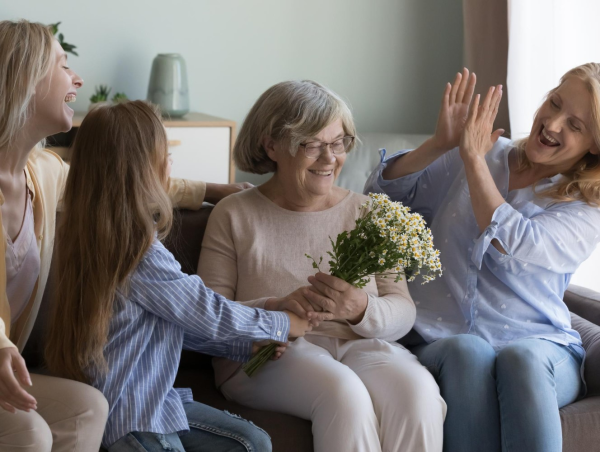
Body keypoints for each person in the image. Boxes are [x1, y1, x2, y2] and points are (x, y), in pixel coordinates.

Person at [0, 19, 249, 451]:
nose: (77, 78)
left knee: (88, 406)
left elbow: (120, 181)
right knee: (31, 431)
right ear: (25, 78)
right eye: (63, 65)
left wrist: (216, 190)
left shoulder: (43, 173)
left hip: (11, 369)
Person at [44, 100, 313, 451]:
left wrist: (244, 344)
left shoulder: (94, 234)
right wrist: (282, 323)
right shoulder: (136, 250)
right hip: (135, 417)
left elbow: (172, 323)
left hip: (156, 400)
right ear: (142, 168)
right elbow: (206, 311)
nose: (171, 162)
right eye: (165, 153)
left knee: (251, 442)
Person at [198, 80, 446, 452]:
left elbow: (402, 310)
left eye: (338, 142)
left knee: (418, 391)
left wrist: (362, 309)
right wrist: (274, 312)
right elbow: (206, 314)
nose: (330, 158)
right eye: (312, 144)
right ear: (272, 146)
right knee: (343, 393)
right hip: (269, 355)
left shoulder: (371, 212)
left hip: (360, 345)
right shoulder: (234, 214)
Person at [365, 66, 600, 452]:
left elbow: (516, 241)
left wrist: (473, 159)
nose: (553, 124)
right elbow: (381, 199)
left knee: (521, 359)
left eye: (574, 124)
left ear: (594, 143)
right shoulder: (483, 151)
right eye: (554, 103)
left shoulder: (585, 208)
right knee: (466, 349)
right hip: (438, 336)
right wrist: (441, 144)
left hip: (539, 346)